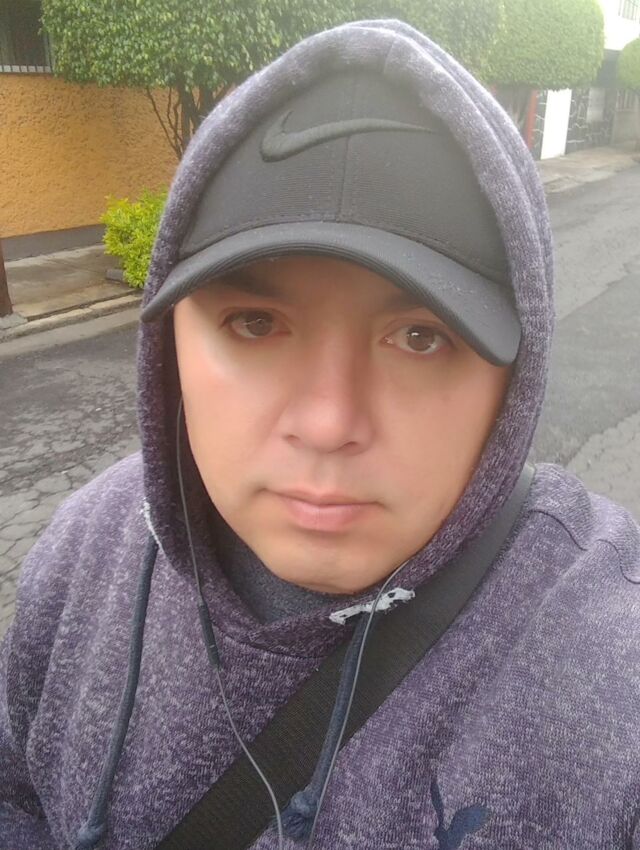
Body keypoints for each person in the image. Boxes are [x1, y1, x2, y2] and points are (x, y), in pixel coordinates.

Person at [2, 17, 640, 850]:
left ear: (516, 375)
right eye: (255, 323)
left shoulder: (607, 668)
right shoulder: (83, 553)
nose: (329, 423)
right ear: (169, 345)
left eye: (421, 336)